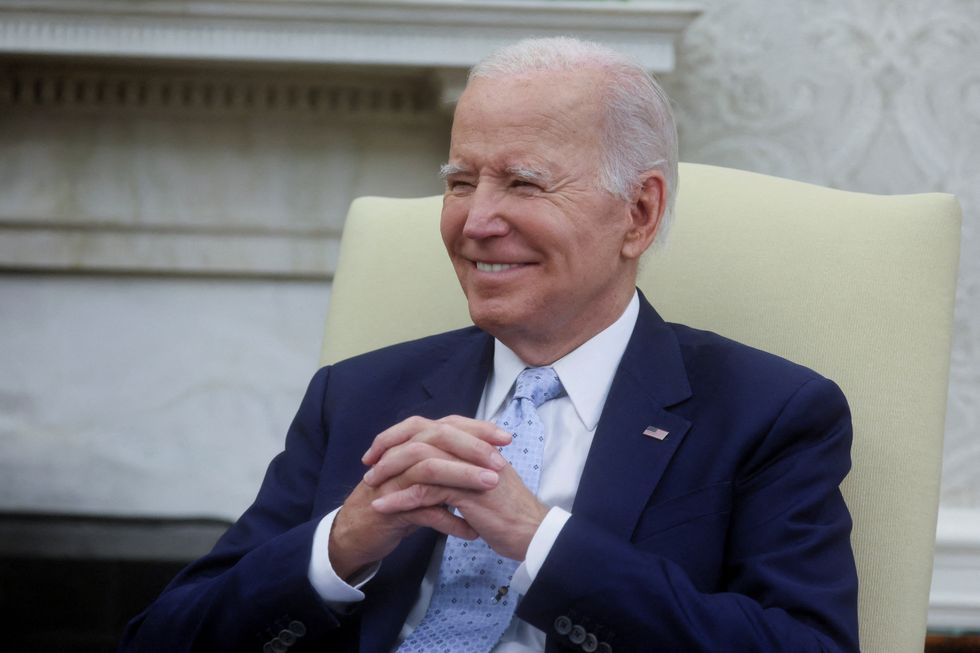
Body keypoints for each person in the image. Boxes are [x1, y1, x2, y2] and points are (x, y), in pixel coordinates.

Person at [121, 37, 859, 653]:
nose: (475, 222)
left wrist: (541, 541)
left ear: (638, 213)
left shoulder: (768, 412)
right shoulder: (356, 395)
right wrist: (341, 543)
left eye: (523, 184)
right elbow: (160, 638)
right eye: (461, 182)